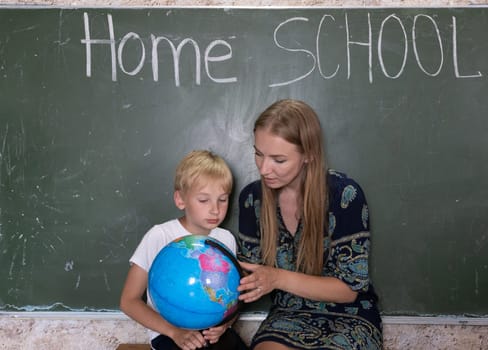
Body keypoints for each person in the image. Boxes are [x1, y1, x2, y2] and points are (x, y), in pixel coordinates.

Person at [236, 99, 382, 349]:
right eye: (259, 154)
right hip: (287, 314)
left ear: (309, 155)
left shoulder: (344, 195)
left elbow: (348, 290)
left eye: (279, 160)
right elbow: (246, 274)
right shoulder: (252, 199)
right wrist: (218, 317)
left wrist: (277, 278)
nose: (264, 169)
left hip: (350, 316)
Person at [120, 150, 247, 350]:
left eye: (222, 199)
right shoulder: (159, 236)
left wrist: (225, 325)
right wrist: (174, 332)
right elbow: (129, 301)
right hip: (169, 334)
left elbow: (233, 297)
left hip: (214, 334)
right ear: (180, 200)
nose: (215, 209)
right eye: (204, 200)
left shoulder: (226, 240)